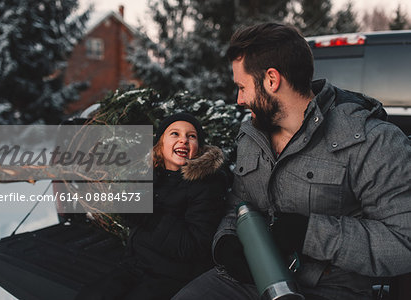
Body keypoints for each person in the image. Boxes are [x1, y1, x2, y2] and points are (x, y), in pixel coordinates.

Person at [173, 23, 411, 300]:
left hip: (329, 288)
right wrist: (227, 241)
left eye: (241, 87)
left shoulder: (371, 141)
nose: (238, 100)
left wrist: (309, 233)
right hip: (252, 279)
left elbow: (403, 242)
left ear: (272, 80)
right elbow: (238, 206)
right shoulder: (252, 135)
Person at [82, 112, 228, 300]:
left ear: (198, 148)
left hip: (172, 275)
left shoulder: (206, 185)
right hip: (135, 265)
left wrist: (149, 214)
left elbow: (194, 246)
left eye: (191, 136)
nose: (184, 140)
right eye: (175, 134)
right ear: (160, 144)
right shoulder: (152, 174)